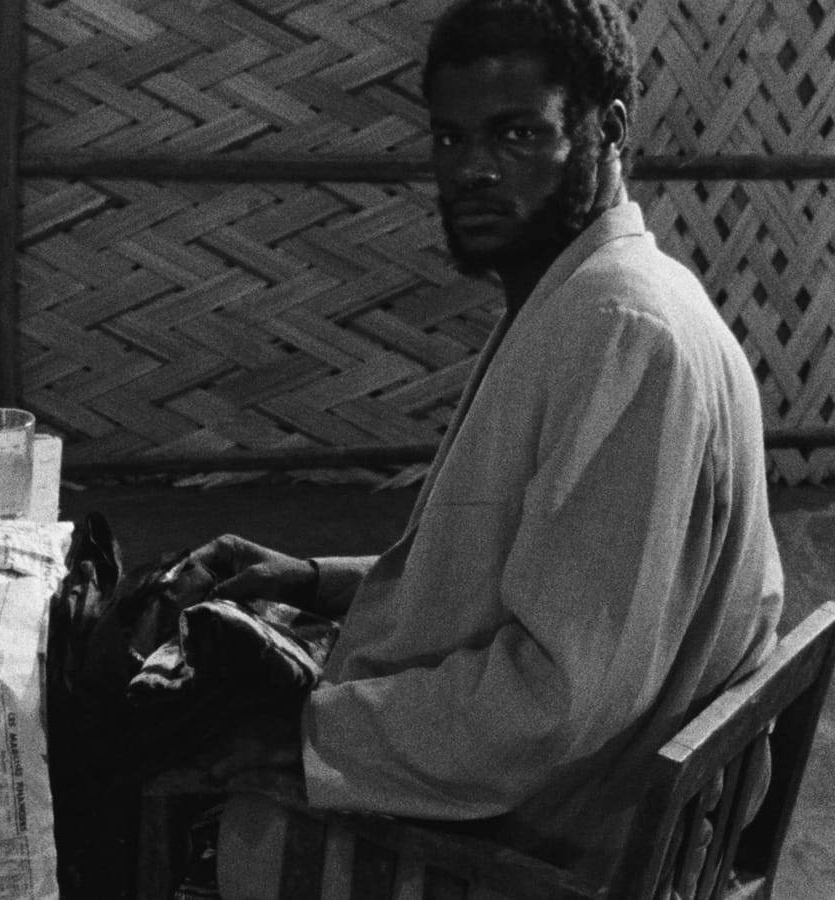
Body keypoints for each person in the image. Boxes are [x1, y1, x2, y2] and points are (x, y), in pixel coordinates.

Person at [187, 0, 784, 892]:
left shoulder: (619, 332)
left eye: (516, 134)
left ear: (608, 129)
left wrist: (310, 737)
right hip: (565, 799)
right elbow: (544, 576)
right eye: (450, 139)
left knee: (140, 765)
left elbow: (555, 699)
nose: (472, 169)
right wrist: (311, 579)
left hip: (532, 856)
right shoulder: (600, 296)